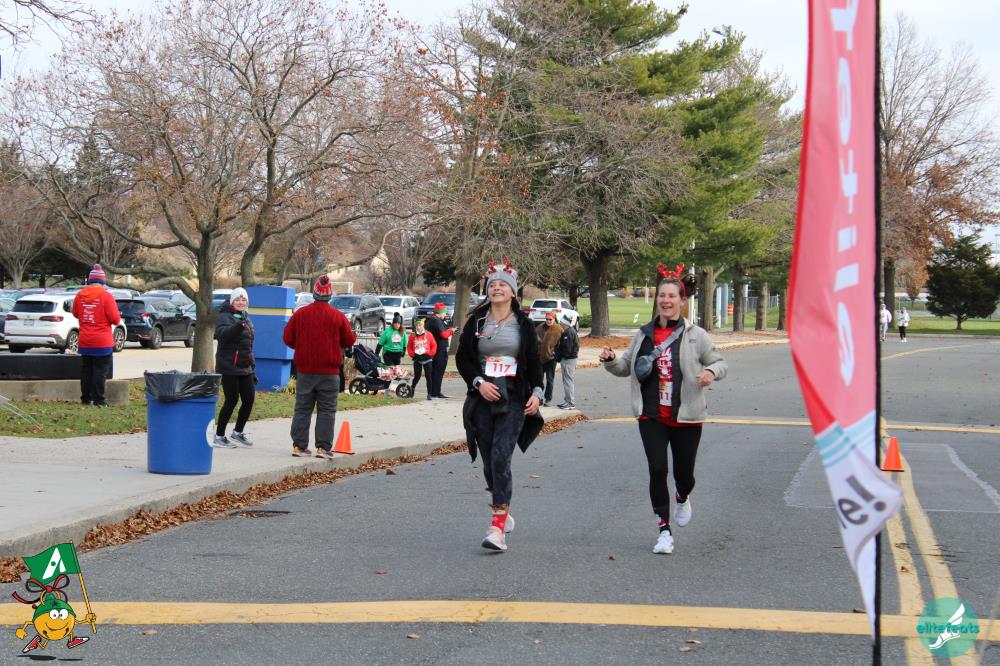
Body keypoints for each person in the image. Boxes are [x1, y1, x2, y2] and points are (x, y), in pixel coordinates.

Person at [599, 264, 727, 555]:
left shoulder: (696, 335)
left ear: (682, 301)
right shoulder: (643, 335)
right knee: (657, 469)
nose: (666, 300)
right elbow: (626, 367)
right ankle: (664, 531)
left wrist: (710, 372)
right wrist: (610, 360)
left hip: (686, 416)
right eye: (662, 295)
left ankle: (683, 495)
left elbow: (720, 363)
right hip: (651, 414)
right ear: (657, 299)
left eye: (671, 296)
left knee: (685, 474)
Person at [456, 259, 544, 552]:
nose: (496, 288)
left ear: (513, 292)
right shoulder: (477, 322)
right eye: (492, 285)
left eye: (502, 285)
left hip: (514, 397)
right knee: (488, 462)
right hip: (482, 396)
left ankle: (497, 528)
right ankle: (501, 506)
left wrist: (537, 393)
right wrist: (478, 382)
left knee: (500, 456)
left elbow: (534, 361)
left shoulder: (524, 324)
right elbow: (463, 358)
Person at [282, 275, 356, 459]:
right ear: (330, 295)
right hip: (329, 372)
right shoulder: (338, 316)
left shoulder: (300, 314)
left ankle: (299, 446)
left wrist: (302, 346)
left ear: (314, 293)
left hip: (305, 371)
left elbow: (288, 338)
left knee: (302, 409)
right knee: (327, 410)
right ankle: (323, 448)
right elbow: (349, 340)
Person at [71, 264, 122, 407]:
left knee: (86, 370)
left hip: (85, 340)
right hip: (102, 341)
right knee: (100, 371)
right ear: (102, 281)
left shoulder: (80, 295)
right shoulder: (106, 296)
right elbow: (115, 319)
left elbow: (75, 313)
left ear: (90, 280)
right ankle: (99, 400)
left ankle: (85, 399)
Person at [212, 288, 256, 448]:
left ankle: (238, 432)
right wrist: (238, 326)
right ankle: (219, 436)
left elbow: (248, 346)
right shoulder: (224, 316)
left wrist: (252, 367)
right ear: (232, 302)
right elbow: (222, 335)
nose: (241, 302)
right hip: (229, 366)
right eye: (237, 299)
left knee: (249, 399)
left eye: (244, 300)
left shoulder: (245, 317)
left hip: (245, 367)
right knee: (231, 400)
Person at [424, 302, 456, 399]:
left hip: (435, 349)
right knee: (438, 371)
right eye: (445, 312)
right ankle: (435, 392)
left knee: (435, 371)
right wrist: (451, 331)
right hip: (439, 350)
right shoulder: (436, 321)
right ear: (440, 312)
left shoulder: (432, 320)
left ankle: (434, 391)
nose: (445, 314)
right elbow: (443, 334)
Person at [406, 317, 437, 400]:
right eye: (416, 326)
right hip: (417, 359)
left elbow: (434, 345)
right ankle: (412, 389)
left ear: (423, 326)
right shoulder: (412, 336)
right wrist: (413, 355)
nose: (418, 327)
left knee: (428, 376)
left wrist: (430, 354)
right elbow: (409, 347)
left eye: (420, 325)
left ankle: (429, 394)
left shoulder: (429, 335)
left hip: (427, 358)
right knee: (417, 376)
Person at [535, 311, 562, 406]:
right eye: (546, 319)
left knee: (550, 379)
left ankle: (548, 399)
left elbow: (561, 344)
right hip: (540, 357)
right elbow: (534, 340)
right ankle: (539, 398)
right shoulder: (539, 327)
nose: (548, 321)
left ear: (554, 319)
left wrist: (555, 353)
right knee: (539, 379)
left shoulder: (558, 329)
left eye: (550, 319)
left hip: (551, 359)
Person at [556, 312, 580, 410]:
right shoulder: (570, 331)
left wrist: (560, 356)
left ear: (564, 323)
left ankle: (570, 403)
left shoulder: (568, 333)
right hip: (570, 359)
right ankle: (567, 401)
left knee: (568, 381)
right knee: (567, 380)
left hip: (568, 360)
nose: (560, 323)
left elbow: (567, 349)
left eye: (561, 322)